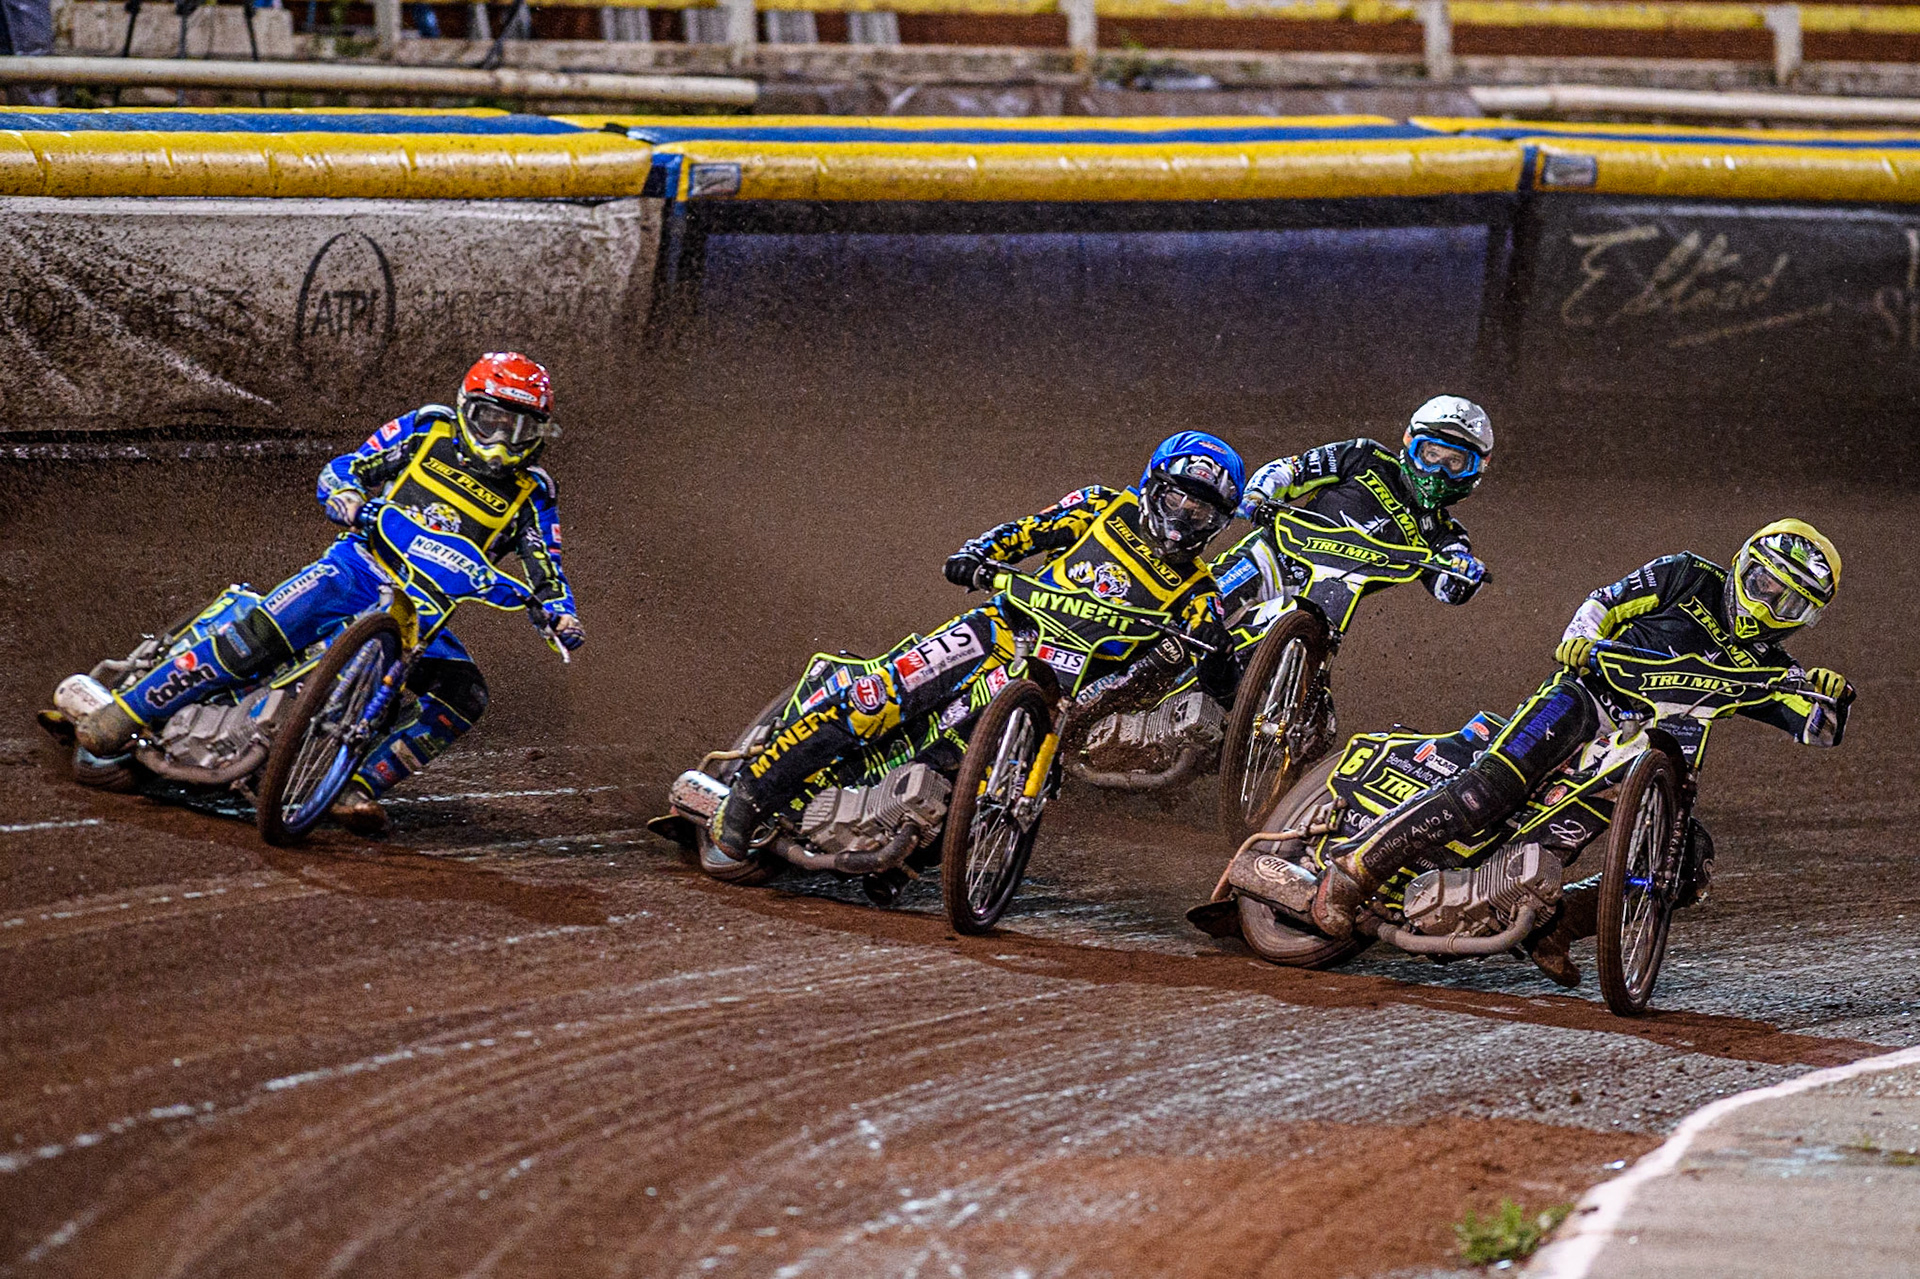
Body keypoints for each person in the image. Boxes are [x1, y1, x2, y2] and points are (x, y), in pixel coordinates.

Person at [1303, 519, 1854, 987]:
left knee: (1683, 865)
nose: (1768, 605)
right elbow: (1605, 602)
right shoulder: (1687, 574)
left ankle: (1554, 925)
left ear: (1807, 619)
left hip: (1646, 760)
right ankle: (1352, 872)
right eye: (1763, 583)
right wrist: (1580, 639)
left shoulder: (1777, 671)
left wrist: (1832, 698)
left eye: (1790, 602)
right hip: (1587, 695)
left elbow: (1818, 731)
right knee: (1490, 788)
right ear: (1742, 564)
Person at [74, 352, 585, 835]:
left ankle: (355, 787)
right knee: (256, 636)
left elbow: (548, 566)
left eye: (517, 427)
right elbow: (348, 467)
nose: (500, 438)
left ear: (537, 433)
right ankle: (127, 712)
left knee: (465, 694)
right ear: (465, 406)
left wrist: (559, 613)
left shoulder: (533, 491)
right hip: (357, 566)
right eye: (491, 420)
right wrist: (344, 494)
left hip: (422, 609)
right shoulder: (427, 429)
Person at [709, 431, 1246, 867]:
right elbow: (1025, 532)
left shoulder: (1200, 590)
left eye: (1201, 512)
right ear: (1153, 487)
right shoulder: (1103, 507)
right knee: (883, 696)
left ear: (1218, 524)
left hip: (1057, 691)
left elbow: (1220, 667)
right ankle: (753, 792)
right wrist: (976, 555)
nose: (1183, 518)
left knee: (963, 775)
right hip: (1001, 628)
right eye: (1176, 498)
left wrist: (1222, 660)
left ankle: (897, 832)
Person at [1213, 396, 1493, 618]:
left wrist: (1466, 573)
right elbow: (1293, 470)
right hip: (1274, 557)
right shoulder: (1364, 456)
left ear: (1475, 470)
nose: (1437, 471)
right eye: (1431, 454)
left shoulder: (1445, 535)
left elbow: (1449, 588)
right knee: (1197, 618)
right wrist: (1257, 496)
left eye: (1454, 462)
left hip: (1330, 601)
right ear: (1411, 446)